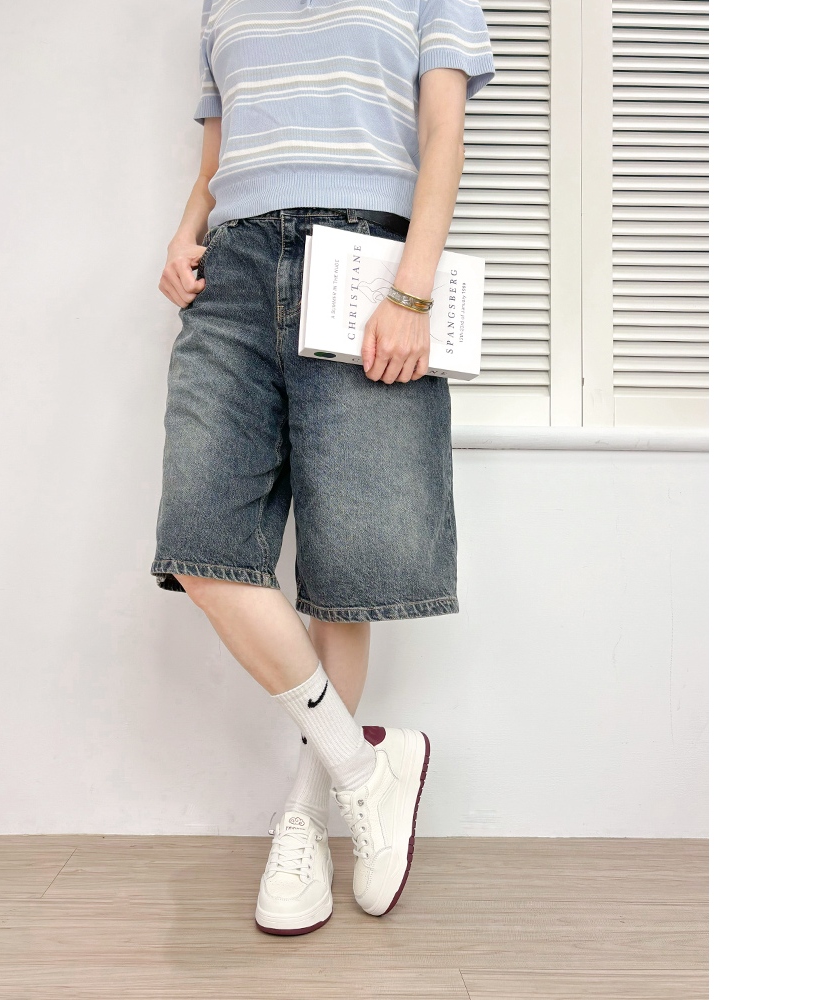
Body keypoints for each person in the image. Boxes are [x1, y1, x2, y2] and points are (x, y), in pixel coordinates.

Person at [154, 0, 494, 935]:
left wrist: (412, 291)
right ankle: (364, 768)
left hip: (366, 260)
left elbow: (442, 130)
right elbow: (219, 149)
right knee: (201, 542)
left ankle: (304, 817)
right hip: (231, 270)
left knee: (346, 569)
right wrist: (185, 234)